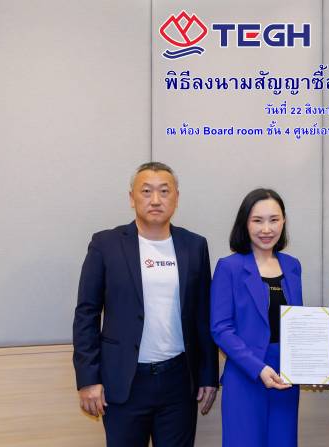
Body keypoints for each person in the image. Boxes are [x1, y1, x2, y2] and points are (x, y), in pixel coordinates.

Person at [72, 162, 219, 446]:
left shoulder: (194, 246)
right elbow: (86, 314)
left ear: (176, 197)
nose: (155, 200)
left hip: (179, 381)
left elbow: (203, 315)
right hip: (124, 381)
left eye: (164, 191)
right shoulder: (106, 244)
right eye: (146, 191)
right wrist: (88, 378)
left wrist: (208, 375)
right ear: (132, 198)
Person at [211, 188, 302, 447]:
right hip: (246, 375)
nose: (266, 229)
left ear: (283, 222)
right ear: (245, 223)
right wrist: (258, 368)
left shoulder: (292, 266)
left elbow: (299, 323)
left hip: (286, 377)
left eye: (274, 220)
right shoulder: (229, 267)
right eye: (257, 220)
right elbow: (221, 328)